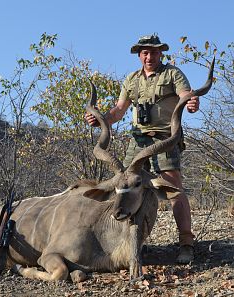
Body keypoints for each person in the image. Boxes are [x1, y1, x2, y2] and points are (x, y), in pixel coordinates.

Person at [85, 34, 199, 264]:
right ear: (139, 55)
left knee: (173, 188)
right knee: (127, 186)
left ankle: (186, 244)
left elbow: (185, 94)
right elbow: (119, 110)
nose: (149, 56)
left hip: (165, 138)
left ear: (160, 53)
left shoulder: (172, 73)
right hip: (138, 140)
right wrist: (101, 119)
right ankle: (130, 245)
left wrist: (191, 101)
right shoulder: (132, 79)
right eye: (145, 52)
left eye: (154, 52)